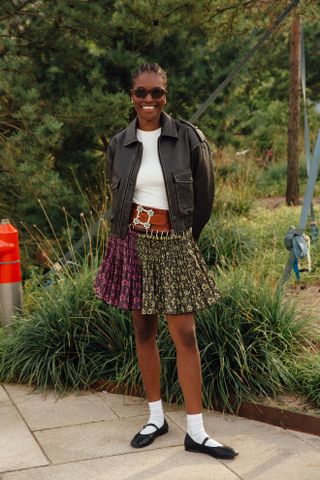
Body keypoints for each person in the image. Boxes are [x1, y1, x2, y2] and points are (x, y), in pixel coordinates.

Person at [94, 63, 238, 460]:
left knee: (185, 333)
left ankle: (196, 430)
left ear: (165, 95)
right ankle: (155, 417)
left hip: (174, 243)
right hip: (133, 243)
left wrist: (183, 239)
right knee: (143, 330)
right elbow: (116, 197)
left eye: (156, 93)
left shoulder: (188, 138)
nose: (148, 100)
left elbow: (204, 197)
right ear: (132, 95)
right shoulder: (119, 144)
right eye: (141, 92)